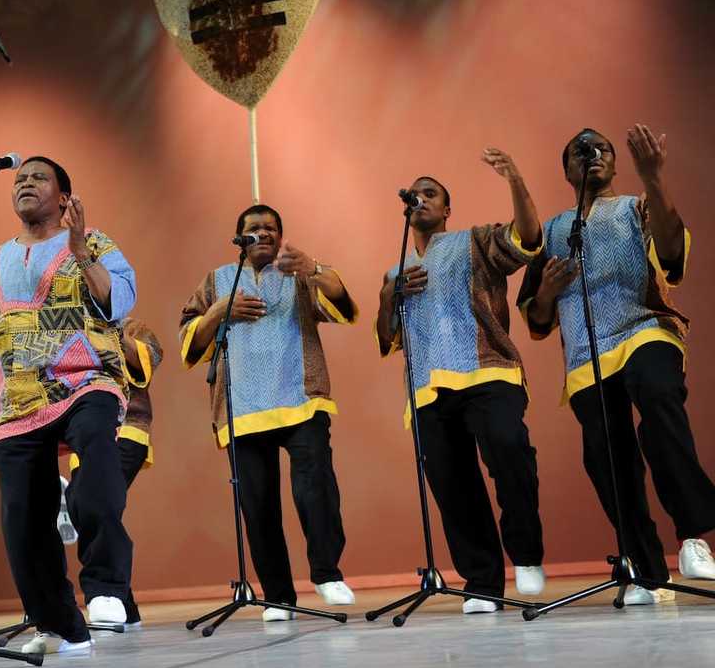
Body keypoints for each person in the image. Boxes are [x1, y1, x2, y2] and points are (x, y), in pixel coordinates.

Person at [518, 125, 715, 602]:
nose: (592, 155)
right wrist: (546, 290)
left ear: (615, 163)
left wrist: (654, 178)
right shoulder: (554, 231)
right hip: (587, 356)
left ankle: (693, 536)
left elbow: (671, 256)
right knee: (607, 460)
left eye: (601, 148)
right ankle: (648, 574)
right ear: (567, 170)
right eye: (580, 151)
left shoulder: (637, 206)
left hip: (644, 329)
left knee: (658, 397)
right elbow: (537, 321)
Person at [0, 155, 136, 653]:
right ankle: (63, 625)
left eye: (38, 177)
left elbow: (118, 301)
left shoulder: (96, 243)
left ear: (64, 197)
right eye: (19, 180)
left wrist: (80, 250)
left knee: (96, 469)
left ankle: (105, 586)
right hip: (16, 397)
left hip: (85, 378)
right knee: (21, 524)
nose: (25, 184)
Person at [375, 152, 547, 614]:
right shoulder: (396, 270)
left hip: (487, 370)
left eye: (431, 194)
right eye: (417, 194)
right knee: (453, 487)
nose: (422, 199)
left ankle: (526, 554)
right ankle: (482, 582)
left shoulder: (475, 240)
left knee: (509, 452)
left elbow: (528, 239)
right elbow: (387, 336)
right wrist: (390, 296)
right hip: (428, 388)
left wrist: (515, 178)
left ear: (447, 210)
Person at [180, 204, 357, 621]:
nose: (263, 233)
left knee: (315, 489)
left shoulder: (299, 272)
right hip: (242, 408)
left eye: (271, 228)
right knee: (258, 506)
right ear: (238, 237)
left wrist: (313, 267)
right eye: (253, 228)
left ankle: (327, 573)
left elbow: (342, 303)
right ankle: (277, 595)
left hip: (300, 398)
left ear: (281, 235)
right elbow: (189, 337)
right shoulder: (218, 280)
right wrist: (216, 313)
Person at [62, 316, 162, 628]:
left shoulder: (135, 326)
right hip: (83, 441)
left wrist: (110, 332)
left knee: (95, 503)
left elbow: (149, 361)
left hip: (127, 431)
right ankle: (124, 606)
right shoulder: (68, 324)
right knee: (91, 509)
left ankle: (106, 592)